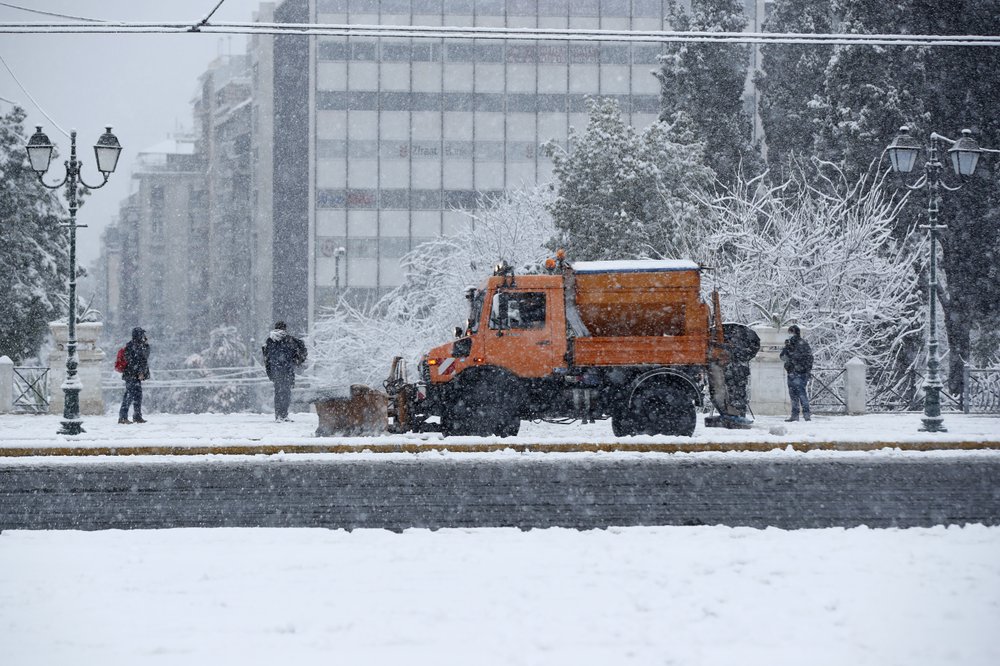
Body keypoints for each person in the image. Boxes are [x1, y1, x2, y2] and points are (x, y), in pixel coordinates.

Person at [262, 321, 307, 422]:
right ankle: (283, 415)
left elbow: (267, 358)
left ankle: (279, 415)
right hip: (287, 370)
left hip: (276, 371)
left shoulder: (269, 341)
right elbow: (302, 347)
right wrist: (298, 360)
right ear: (284, 329)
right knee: (286, 393)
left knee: (278, 393)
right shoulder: (290, 340)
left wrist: (270, 371)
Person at [779, 324, 813, 422]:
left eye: (790, 333)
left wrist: (804, 369)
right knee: (794, 394)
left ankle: (805, 414)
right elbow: (782, 357)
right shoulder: (791, 344)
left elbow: (806, 358)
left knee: (801, 393)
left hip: (800, 372)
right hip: (792, 372)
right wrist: (786, 348)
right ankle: (796, 415)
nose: (789, 335)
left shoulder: (801, 344)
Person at [119, 327, 151, 424]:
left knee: (138, 396)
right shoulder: (131, 346)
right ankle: (123, 417)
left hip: (136, 376)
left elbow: (145, 356)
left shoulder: (141, 346)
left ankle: (137, 416)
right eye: (142, 335)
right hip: (131, 375)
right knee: (129, 396)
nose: (144, 337)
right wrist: (139, 372)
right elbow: (133, 361)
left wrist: (144, 344)